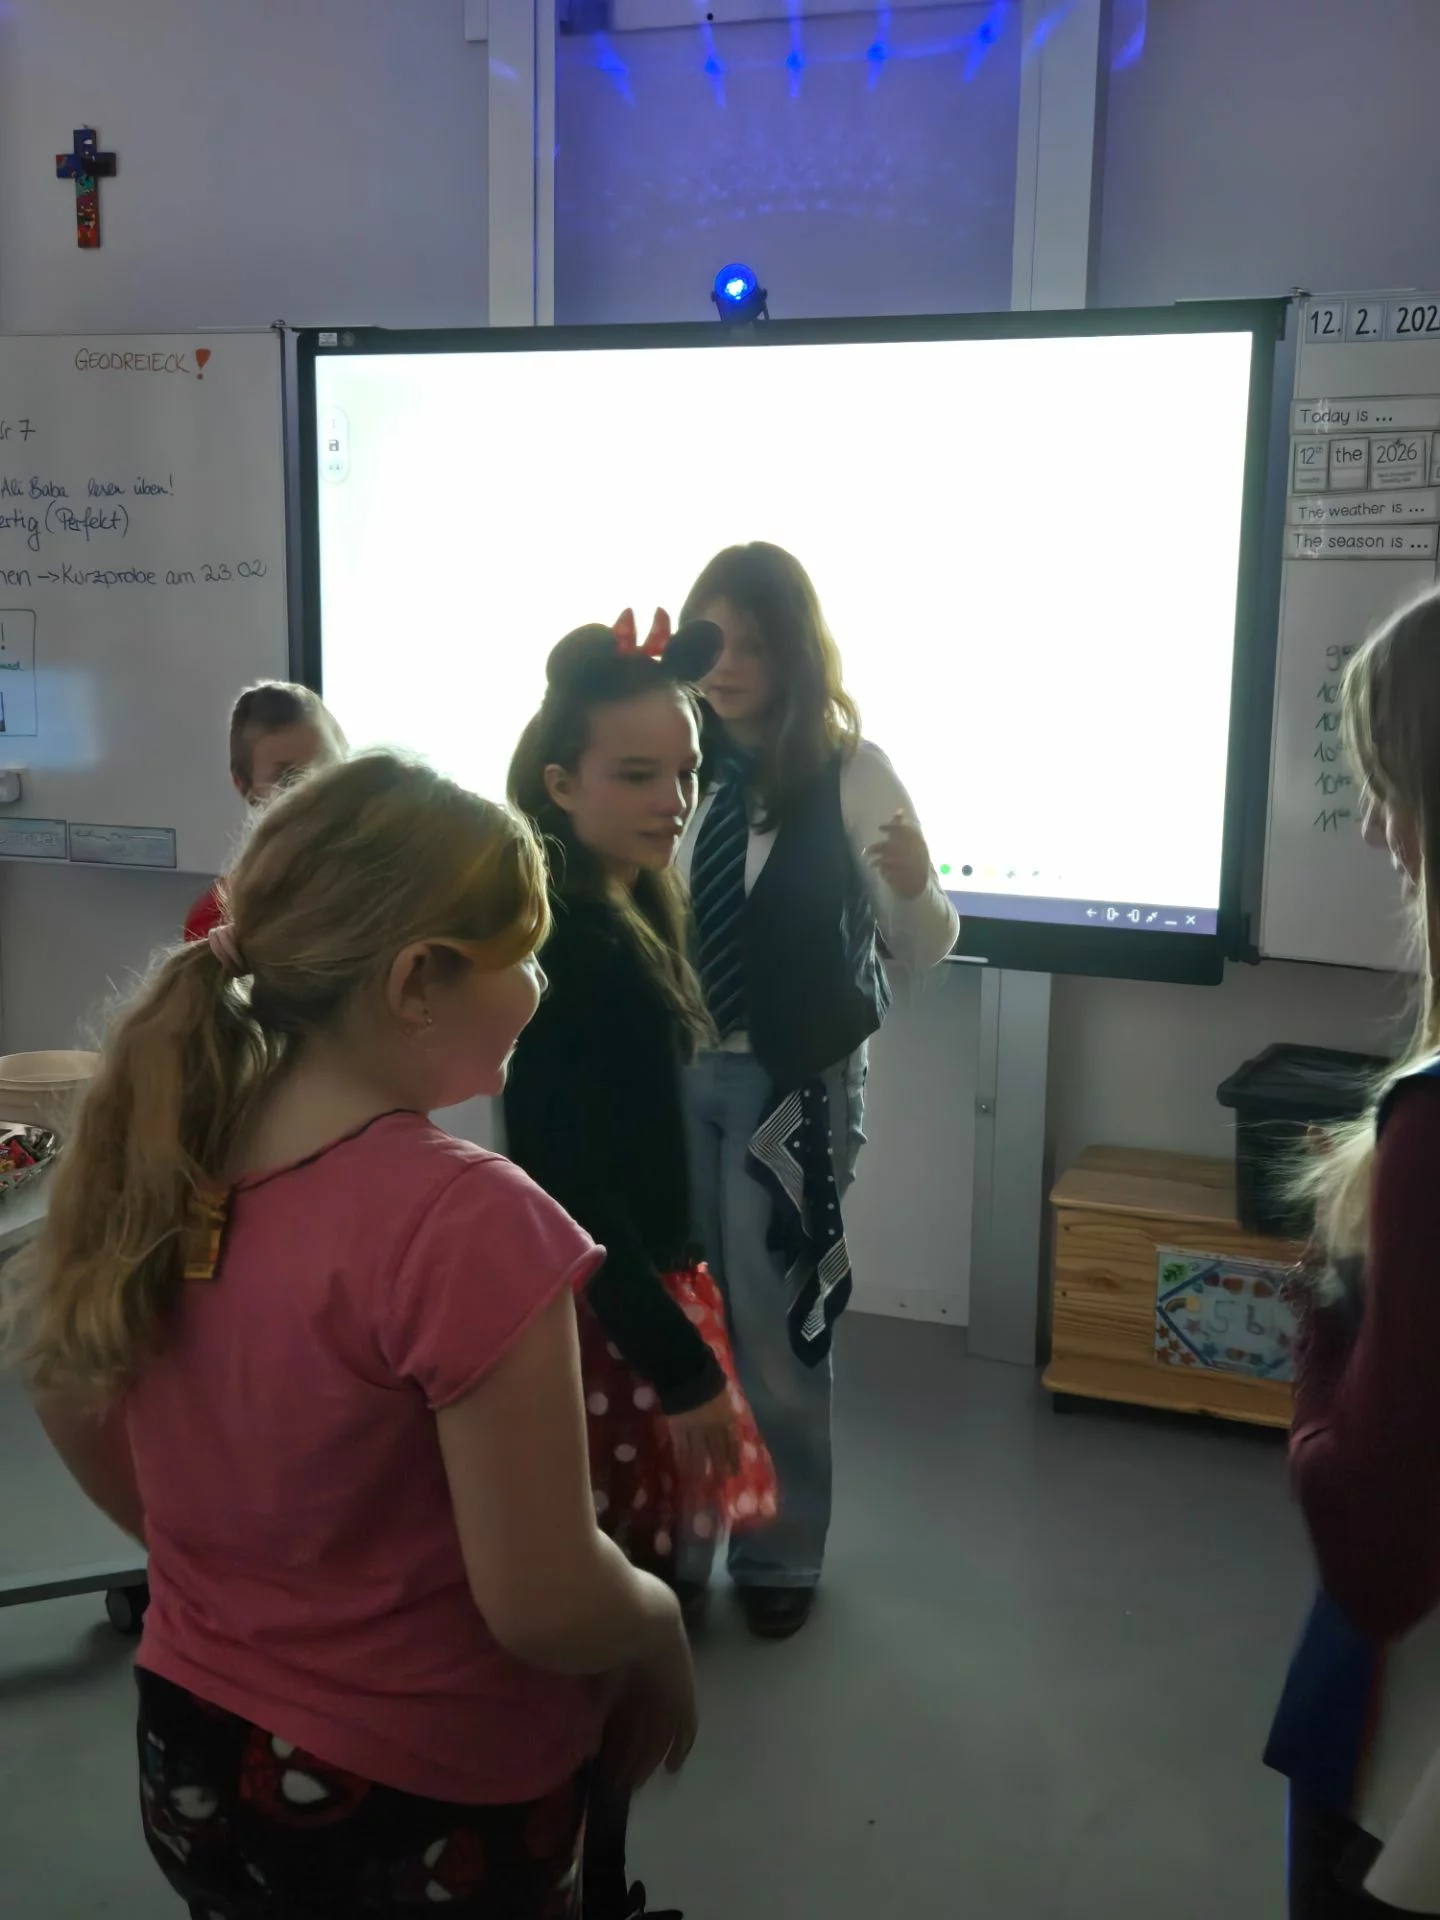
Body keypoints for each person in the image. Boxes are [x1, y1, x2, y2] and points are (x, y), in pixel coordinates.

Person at [0, 751, 696, 1920]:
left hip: (191, 1749)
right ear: (418, 979)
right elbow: (544, 1600)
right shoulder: (469, 1221)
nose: (538, 981)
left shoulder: (162, 1153)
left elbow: (71, 1396)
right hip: (419, 1793)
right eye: (522, 953)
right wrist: (657, 1622)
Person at [505, 610, 776, 1920]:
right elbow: (570, 1194)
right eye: (636, 774)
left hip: (646, 1300)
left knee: (639, 1598)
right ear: (559, 783)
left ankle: (590, 1868)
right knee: (611, 1622)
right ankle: (575, 1875)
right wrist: (677, 1367)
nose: (674, 798)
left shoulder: (624, 905)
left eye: (685, 771)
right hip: (616, 1328)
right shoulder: (573, 945)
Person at [677, 542, 959, 1639]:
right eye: (712, 641)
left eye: (752, 645)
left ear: (795, 654)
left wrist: (917, 888)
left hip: (792, 1082)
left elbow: (922, 946)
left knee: (775, 1317)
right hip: (677, 1065)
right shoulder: (672, 759)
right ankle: (682, 1543)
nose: (727, 665)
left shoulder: (851, 770)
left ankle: (782, 1552)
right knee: (685, 1315)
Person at [1266, 584, 1440, 1917]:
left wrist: (1330, 1311)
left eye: (1392, 789)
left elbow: (1373, 1543)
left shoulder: (1429, 1127)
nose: (1377, 832)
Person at [183, 680, 347, 943]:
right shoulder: (218, 918)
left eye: (327, 766)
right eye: (290, 778)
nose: (315, 790)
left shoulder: (397, 864)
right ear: (245, 787)